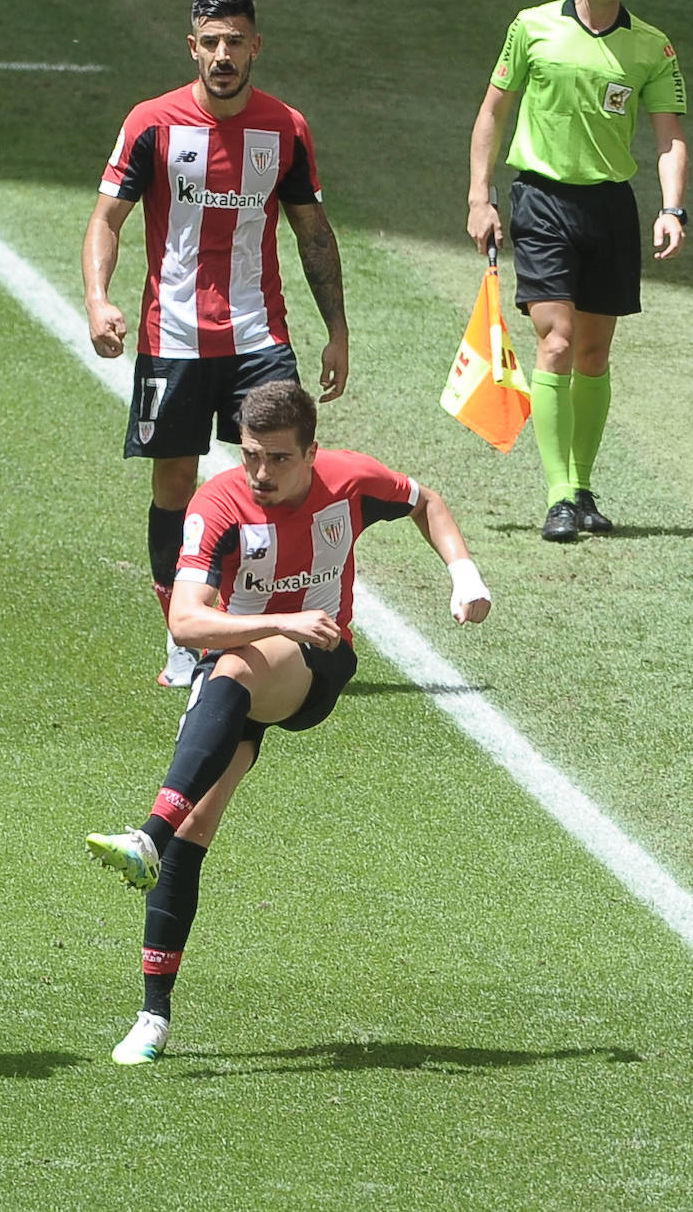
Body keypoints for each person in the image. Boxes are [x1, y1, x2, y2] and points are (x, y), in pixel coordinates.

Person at [85, 380, 491, 1064]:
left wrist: (465, 574)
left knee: (238, 665)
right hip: (239, 675)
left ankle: (144, 836)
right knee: (195, 827)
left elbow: (426, 502)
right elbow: (185, 621)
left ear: (311, 453)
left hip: (316, 668)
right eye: (250, 456)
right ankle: (153, 1017)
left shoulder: (351, 480)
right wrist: (281, 617)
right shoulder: (218, 505)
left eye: (277, 458)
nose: (261, 474)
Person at [83, 0, 350, 686]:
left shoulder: (286, 127)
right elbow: (107, 218)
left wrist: (337, 331)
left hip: (260, 335)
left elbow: (313, 233)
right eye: (211, 42)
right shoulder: (152, 123)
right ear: (192, 46)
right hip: (171, 337)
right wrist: (96, 300)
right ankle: (184, 629)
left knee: (279, 477)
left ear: (255, 45)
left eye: (236, 41)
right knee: (174, 483)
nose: (223, 55)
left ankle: (281, 627)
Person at [468, 0, 687, 543]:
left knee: (593, 353)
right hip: (541, 200)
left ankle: (583, 487)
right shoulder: (531, 28)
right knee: (556, 341)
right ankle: (559, 496)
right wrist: (481, 196)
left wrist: (672, 207)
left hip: (610, 207)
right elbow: (492, 114)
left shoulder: (652, 46)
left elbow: (669, 135)